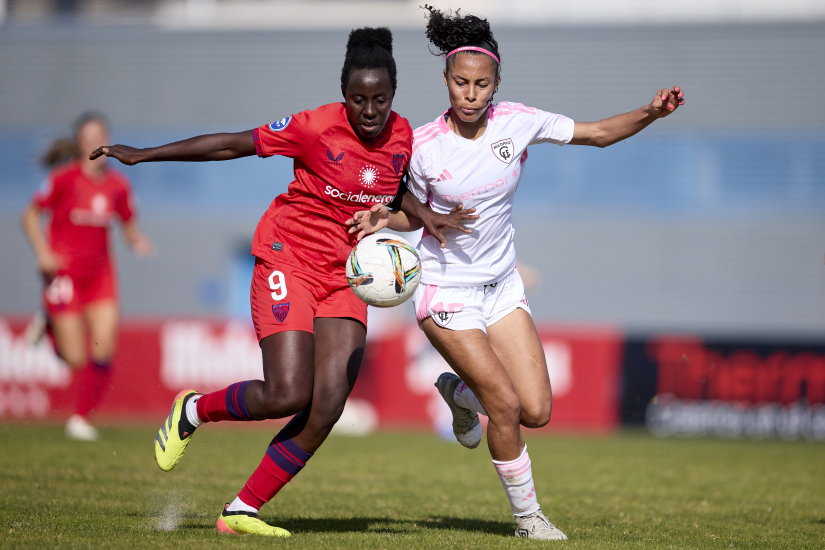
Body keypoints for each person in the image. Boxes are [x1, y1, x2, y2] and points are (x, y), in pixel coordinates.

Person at [91, 28, 474, 537]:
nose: (369, 110)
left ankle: (241, 511)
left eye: (379, 99)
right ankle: (194, 410)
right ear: (345, 96)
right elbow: (232, 144)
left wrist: (427, 215)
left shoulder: (403, 136)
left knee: (328, 405)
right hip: (286, 260)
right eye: (358, 99)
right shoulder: (314, 126)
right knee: (287, 394)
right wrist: (145, 154)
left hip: (346, 278)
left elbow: (396, 189)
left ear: (393, 96)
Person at [348, 6, 685, 541]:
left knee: (537, 410)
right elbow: (409, 210)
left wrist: (651, 113)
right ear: (446, 82)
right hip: (445, 291)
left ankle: (458, 394)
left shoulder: (518, 121)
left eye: (482, 84)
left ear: (496, 84)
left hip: (502, 286)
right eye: (461, 82)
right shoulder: (424, 144)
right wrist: (382, 217)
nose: (471, 93)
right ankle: (528, 518)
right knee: (503, 407)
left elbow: (597, 133)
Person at [21, 112, 154, 441]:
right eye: (89, 135)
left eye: (100, 134)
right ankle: (49, 321)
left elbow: (127, 223)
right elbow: (30, 215)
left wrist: (136, 240)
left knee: (104, 348)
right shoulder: (63, 179)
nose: (94, 140)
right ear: (80, 141)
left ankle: (80, 419)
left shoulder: (118, 185)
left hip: (100, 277)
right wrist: (43, 253)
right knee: (75, 357)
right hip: (63, 275)